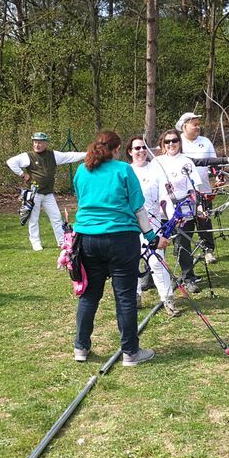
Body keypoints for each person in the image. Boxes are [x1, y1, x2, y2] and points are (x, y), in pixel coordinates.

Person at [72, 130, 168, 366]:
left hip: (87, 239)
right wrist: (152, 237)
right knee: (125, 297)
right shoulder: (124, 170)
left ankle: (80, 348)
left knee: (89, 295)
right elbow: (138, 208)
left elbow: (82, 199)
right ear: (116, 150)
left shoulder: (82, 170)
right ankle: (130, 352)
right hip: (121, 239)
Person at [125, 135, 179, 317]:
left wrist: (172, 216)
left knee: (156, 261)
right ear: (130, 152)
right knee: (131, 261)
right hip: (131, 225)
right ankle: (135, 296)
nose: (141, 151)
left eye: (143, 147)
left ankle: (168, 299)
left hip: (153, 223)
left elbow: (165, 197)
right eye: (137, 148)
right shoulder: (126, 171)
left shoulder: (156, 169)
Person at [177, 112, 229, 264]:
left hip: (204, 189)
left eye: (199, 124)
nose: (198, 127)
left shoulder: (205, 142)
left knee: (204, 220)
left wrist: (219, 176)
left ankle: (208, 250)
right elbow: (196, 162)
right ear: (184, 126)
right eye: (194, 124)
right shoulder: (177, 142)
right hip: (183, 191)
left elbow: (212, 162)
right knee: (185, 223)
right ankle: (183, 252)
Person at [6, 132, 86, 251]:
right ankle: (36, 243)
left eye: (39, 142)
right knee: (34, 219)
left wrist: (87, 154)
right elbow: (11, 162)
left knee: (56, 217)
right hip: (34, 193)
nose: (36, 145)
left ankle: (62, 241)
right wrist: (22, 174)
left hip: (48, 193)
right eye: (35, 142)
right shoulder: (28, 156)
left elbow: (69, 156)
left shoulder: (53, 155)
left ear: (46, 144)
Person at [149, 128, 205, 293]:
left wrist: (199, 207)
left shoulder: (186, 162)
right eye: (167, 141)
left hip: (182, 213)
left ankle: (188, 278)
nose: (171, 144)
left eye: (174, 140)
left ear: (179, 143)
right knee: (155, 245)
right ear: (163, 144)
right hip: (159, 213)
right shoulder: (156, 162)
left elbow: (194, 189)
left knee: (183, 245)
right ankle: (150, 277)